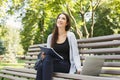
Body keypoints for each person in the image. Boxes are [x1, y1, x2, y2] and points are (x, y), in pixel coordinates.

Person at [36, 12, 82, 80]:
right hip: (52, 62)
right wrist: (44, 55)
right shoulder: (50, 37)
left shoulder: (70, 35)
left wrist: (78, 68)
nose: (60, 20)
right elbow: (48, 53)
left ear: (66, 23)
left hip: (65, 65)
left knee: (42, 65)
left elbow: (75, 54)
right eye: (59, 18)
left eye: (63, 18)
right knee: (43, 64)